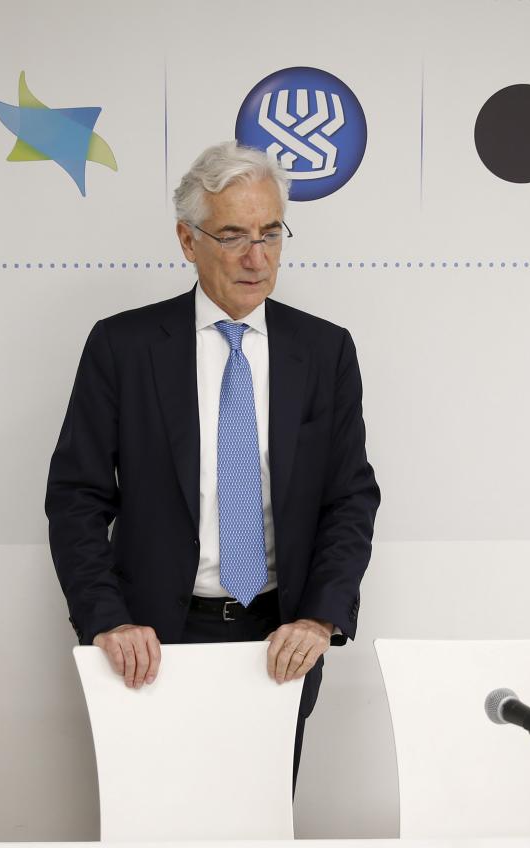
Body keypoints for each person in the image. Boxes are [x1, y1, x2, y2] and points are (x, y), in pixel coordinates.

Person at [45, 141, 379, 782]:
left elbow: (349, 498)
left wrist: (320, 616)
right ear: (187, 239)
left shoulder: (325, 351)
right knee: (157, 829)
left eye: (271, 233)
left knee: (262, 832)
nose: (258, 258)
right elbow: (77, 498)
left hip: (280, 642)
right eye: (232, 236)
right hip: (154, 644)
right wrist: (108, 619)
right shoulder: (123, 346)